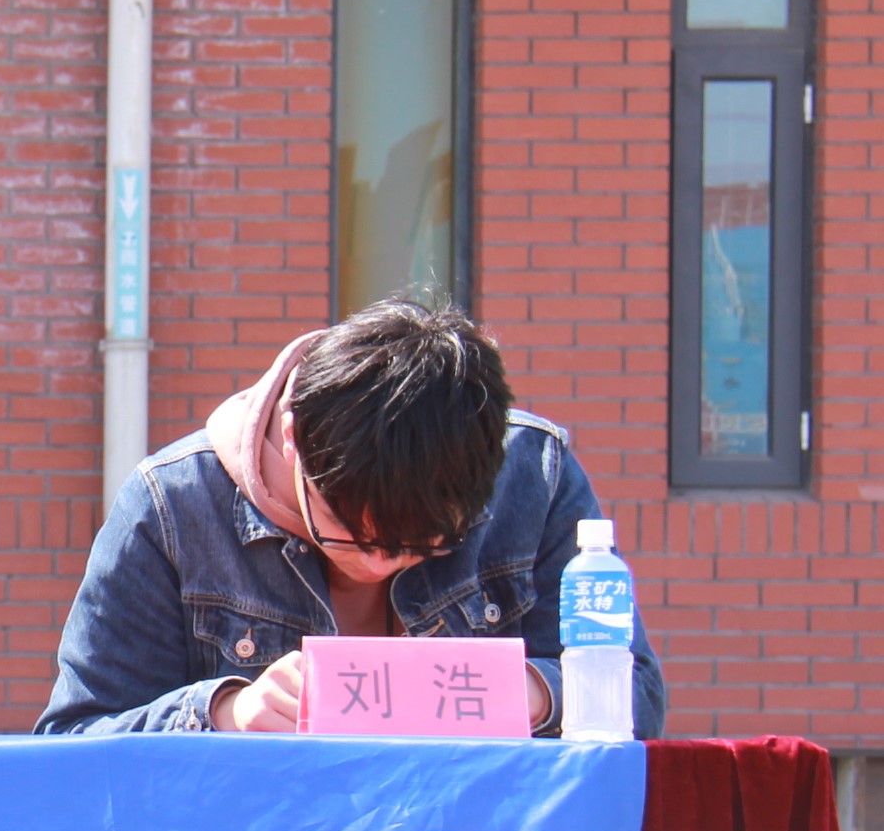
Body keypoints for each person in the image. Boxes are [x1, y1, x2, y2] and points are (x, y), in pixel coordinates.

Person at [36, 297, 667, 737]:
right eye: (350, 534)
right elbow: (74, 739)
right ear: (294, 438)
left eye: (422, 544)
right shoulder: (173, 505)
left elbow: (636, 697)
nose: (378, 564)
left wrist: (522, 694)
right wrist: (224, 713)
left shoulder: (533, 473)